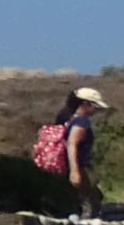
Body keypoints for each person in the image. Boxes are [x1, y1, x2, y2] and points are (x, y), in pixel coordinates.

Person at [34, 84, 111, 215]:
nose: (96, 111)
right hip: (78, 167)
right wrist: (75, 171)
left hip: (64, 167)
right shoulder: (82, 122)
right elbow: (72, 143)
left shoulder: (65, 118)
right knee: (90, 201)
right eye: (95, 106)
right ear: (86, 104)